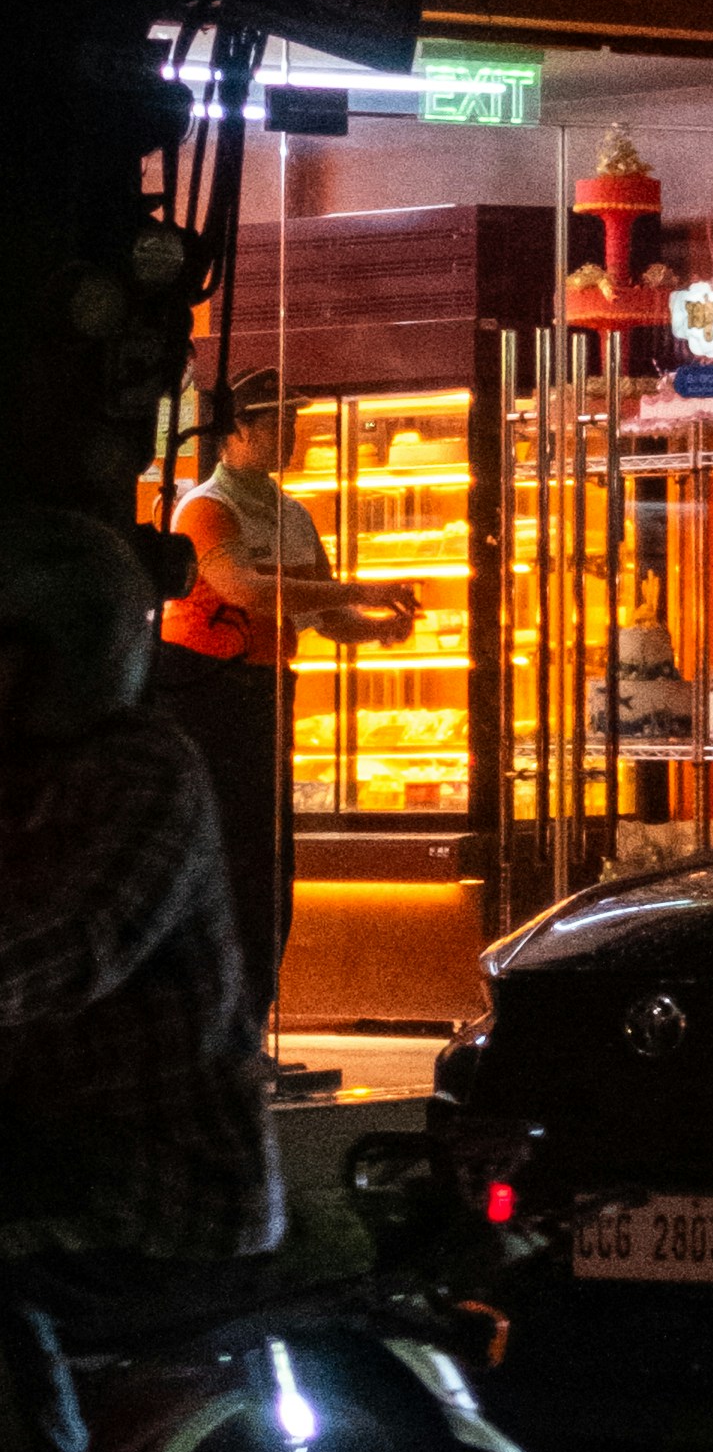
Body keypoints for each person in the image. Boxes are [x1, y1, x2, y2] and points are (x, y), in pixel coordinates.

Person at [0, 505, 281, 1452]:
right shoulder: (21, 773)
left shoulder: (143, 775)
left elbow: (72, 944)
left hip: (159, 1173)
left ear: (55, 655)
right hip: (42, 1146)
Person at [162, 370, 410, 1018]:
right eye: (278, 423)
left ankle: (255, 1009)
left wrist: (378, 630)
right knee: (230, 856)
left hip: (268, 696)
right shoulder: (204, 508)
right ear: (234, 432)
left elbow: (324, 620)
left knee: (271, 865)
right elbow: (246, 589)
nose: (292, 435)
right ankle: (217, 1013)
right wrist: (357, 592)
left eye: (295, 423)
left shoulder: (294, 515)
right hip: (209, 699)